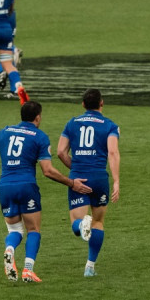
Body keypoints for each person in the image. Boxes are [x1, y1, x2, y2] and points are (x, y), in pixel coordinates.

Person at [0, 99, 92, 283]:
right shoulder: (39, 137)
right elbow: (48, 171)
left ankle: (10, 250)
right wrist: (72, 183)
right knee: (33, 229)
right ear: (37, 118)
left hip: (5, 186)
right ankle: (28, 271)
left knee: (15, 229)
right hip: (27, 186)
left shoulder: (4, 132)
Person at [57, 88, 120, 278]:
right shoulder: (110, 125)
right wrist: (116, 181)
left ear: (83, 104)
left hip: (79, 178)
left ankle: (81, 225)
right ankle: (90, 267)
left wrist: (75, 167)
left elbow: (61, 152)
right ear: (102, 103)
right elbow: (112, 152)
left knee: (77, 224)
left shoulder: (72, 123)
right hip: (99, 178)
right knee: (98, 221)